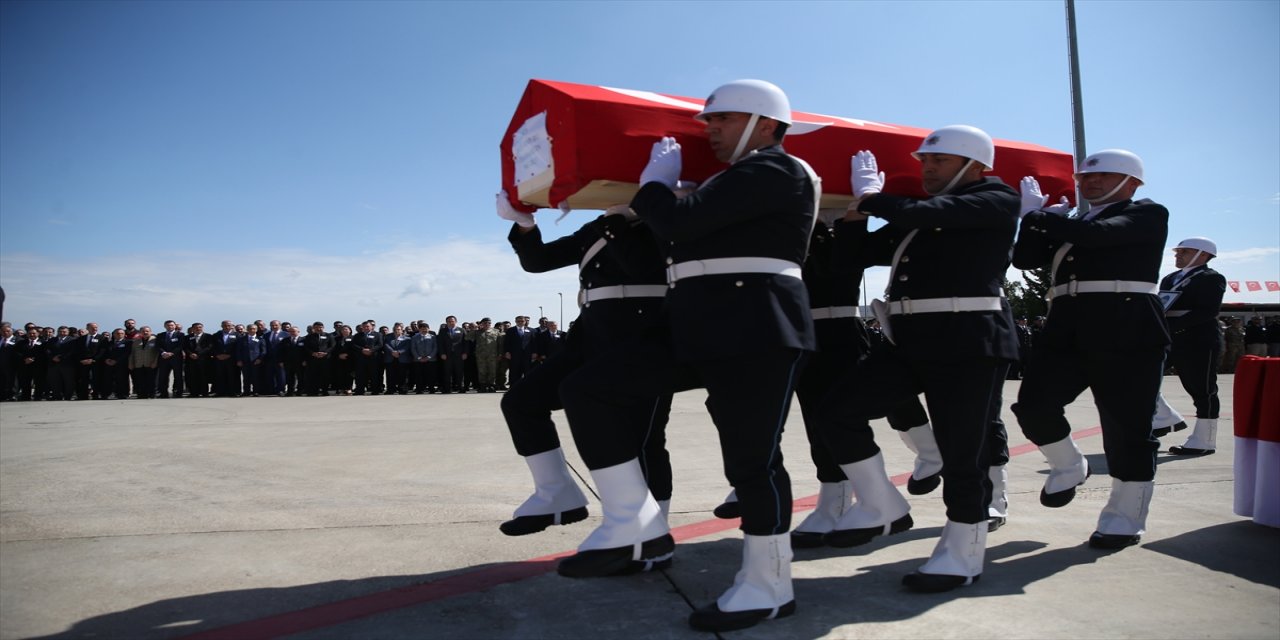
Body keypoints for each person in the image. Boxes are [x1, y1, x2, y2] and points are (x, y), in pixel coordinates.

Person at [554, 79, 817, 632]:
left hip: (756, 328)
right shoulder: (730, 181)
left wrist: (655, 189)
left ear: (765, 124)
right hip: (696, 323)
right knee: (588, 388)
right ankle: (634, 523)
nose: (709, 130)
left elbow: (680, 223)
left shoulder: (777, 169)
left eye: (720, 120)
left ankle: (770, 584)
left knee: (752, 460)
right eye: (708, 122)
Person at [817, 125, 1019, 593]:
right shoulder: (918, 219)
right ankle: (881, 503)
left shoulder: (995, 198)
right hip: (909, 341)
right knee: (837, 412)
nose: (926, 168)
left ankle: (963, 553)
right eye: (924, 161)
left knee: (962, 451)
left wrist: (872, 197)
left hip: (969, 340)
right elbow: (852, 261)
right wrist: (852, 214)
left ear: (976, 166)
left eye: (939, 161)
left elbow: (935, 212)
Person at [1013, 149, 1168, 550]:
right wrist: (1031, 220)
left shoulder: (1148, 213)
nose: (1090, 182)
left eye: (1104, 176)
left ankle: (1125, 516)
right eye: (1085, 177)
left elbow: (1102, 237)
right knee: (1033, 404)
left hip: (1127, 322)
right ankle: (1068, 464)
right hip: (1067, 321)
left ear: (1133, 183)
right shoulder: (1074, 222)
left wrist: (1041, 216)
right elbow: (1024, 260)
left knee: (1127, 425)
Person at [495, 193, 673, 540]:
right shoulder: (596, 228)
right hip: (589, 339)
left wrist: (617, 221)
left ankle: (654, 531)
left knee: (644, 440)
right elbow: (538, 261)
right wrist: (525, 224)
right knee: (521, 402)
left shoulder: (666, 222)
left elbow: (644, 267)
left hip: (643, 340)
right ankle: (556, 493)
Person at [1154, 238, 1227, 456]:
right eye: (1178, 252)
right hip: (1171, 338)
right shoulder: (1170, 278)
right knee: (1142, 376)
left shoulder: (1211, 278)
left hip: (1199, 341)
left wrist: (1170, 326)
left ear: (1203, 255)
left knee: (1202, 390)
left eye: (1184, 252)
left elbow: (1208, 311)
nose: (1178, 255)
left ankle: (1204, 441)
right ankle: (1165, 418)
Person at [469, 318, 504, 393]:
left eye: (489, 323)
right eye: (485, 323)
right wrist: (475, 328)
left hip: (493, 355)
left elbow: (500, 344)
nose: (487, 324)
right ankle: (483, 386)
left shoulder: (496, 331)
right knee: (482, 371)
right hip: (481, 355)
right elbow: (468, 337)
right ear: (482, 324)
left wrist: (500, 354)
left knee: (492, 371)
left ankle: (491, 385)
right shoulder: (477, 332)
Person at [302, 321, 334, 396]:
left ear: (323, 327)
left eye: (320, 327)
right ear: (313, 328)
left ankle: (324, 390)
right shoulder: (309, 337)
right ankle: (313, 391)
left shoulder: (329, 336)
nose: (318, 329)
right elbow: (306, 347)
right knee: (313, 375)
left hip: (325, 359)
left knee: (325, 375)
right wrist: (313, 353)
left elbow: (332, 346)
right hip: (313, 359)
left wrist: (325, 353)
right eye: (316, 327)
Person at [155, 320, 185, 398]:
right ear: (165, 326)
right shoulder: (160, 335)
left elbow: (180, 346)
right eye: (168, 325)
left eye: (172, 325)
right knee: (163, 376)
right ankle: (163, 393)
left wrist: (171, 353)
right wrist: (163, 353)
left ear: (175, 326)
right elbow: (157, 346)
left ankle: (179, 392)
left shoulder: (180, 335)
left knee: (178, 376)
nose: (170, 327)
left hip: (176, 358)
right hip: (164, 359)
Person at [128, 326, 160, 399]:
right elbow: (132, 353)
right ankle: (141, 395)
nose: (145, 332)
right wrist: (131, 363)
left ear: (150, 332)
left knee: (152, 381)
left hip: (151, 364)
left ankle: (152, 394)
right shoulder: (136, 341)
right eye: (143, 331)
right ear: (140, 333)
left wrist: (155, 362)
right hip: (139, 364)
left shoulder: (155, 340)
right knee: (140, 381)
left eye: (147, 331)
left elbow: (158, 353)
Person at [352, 322, 384, 395]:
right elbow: (354, 345)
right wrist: (362, 350)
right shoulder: (357, 335)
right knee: (360, 375)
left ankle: (375, 390)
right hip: (361, 358)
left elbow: (380, 344)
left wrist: (371, 350)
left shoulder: (378, 334)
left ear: (371, 327)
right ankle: (360, 390)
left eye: (367, 326)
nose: (366, 328)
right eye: (364, 326)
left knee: (374, 375)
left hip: (373, 358)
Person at [210, 320, 240, 397]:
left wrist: (230, 355)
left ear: (232, 326)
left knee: (232, 375)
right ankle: (220, 392)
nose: (227, 327)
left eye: (229, 325)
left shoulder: (237, 335)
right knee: (220, 375)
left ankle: (233, 392)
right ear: (221, 326)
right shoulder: (216, 335)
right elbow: (212, 346)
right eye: (225, 325)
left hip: (231, 359)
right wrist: (217, 355)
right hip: (219, 359)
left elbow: (238, 347)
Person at [503, 316, 535, 384]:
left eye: (522, 321)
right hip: (514, 355)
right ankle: (514, 388)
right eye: (518, 321)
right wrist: (507, 352)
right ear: (515, 322)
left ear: (525, 322)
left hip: (527, 355)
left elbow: (534, 343)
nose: (520, 322)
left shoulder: (532, 330)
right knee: (514, 372)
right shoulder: (510, 330)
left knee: (528, 372)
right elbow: (506, 342)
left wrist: (534, 352)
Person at [437, 316, 466, 393]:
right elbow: (440, 343)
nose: (451, 323)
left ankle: (460, 387)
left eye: (452, 321)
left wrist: (465, 353)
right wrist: (442, 353)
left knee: (459, 372)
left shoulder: (462, 330)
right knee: (447, 372)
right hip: (447, 355)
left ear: (456, 321)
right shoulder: (443, 331)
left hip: (459, 355)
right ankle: (447, 389)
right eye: (449, 321)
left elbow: (465, 343)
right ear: (446, 322)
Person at [237, 323, 266, 396]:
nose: (252, 330)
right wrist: (239, 360)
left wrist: (260, 359)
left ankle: (256, 391)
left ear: (256, 330)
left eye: (254, 329)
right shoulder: (241, 339)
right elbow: (238, 350)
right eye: (250, 329)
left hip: (256, 361)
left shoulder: (260, 339)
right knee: (246, 377)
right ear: (247, 330)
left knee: (256, 377)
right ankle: (246, 391)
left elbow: (263, 351)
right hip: (245, 361)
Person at [410, 322, 439, 393]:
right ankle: (419, 389)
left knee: (431, 375)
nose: (424, 330)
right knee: (419, 375)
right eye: (422, 329)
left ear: (429, 329)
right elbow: (413, 348)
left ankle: (431, 389)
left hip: (431, 360)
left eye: (426, 329)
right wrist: (419, 358)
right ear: (419, 329)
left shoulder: (433, 337)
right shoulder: (414, 337)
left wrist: (429, 357)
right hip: (418, 360)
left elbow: (435, 348)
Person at [185, 323, 212, 397]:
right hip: (191, 359)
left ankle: (204, 393)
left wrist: (199, 354)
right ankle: (194, 393)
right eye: (196, 327)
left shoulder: (208, 336)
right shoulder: (188, 337)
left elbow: (209, 347)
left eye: (200, 327)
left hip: (204, 359)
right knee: (193, 376)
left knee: (204, 376)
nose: (198, 329)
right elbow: (185, 347)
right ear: (192, 329)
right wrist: (190, 354)